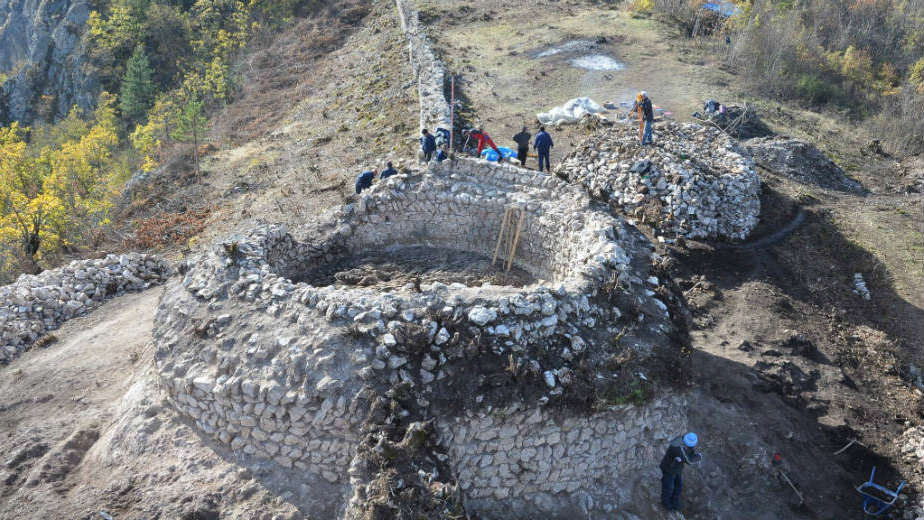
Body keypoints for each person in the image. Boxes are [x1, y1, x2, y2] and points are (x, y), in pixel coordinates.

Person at [659, 432, 701, 511]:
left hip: (676, 468)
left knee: (678, 486)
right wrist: (698, 457)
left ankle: (675, 502)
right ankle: (666, 504)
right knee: (668, 488)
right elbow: (689, 461)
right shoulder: (678, 448)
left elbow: (690, 453)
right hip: (669, 469)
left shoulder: (684, 441)